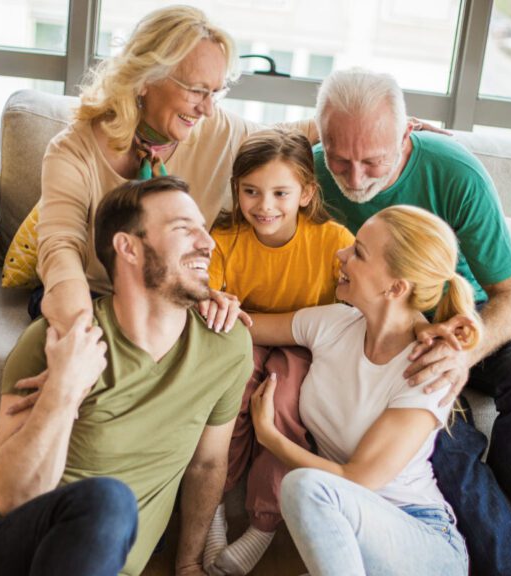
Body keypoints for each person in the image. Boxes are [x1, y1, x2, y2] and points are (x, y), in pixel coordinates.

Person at [0, 176, 253, 576]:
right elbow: (11, 498)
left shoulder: (227, 347)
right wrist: (63, 389)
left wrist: (189, 563)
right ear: (127, 247)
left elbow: (207, 465)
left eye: (203, 227)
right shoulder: (56, 341)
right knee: (111, 501)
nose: (207, 242)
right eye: (184, 228)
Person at [313, 67, 511, 576]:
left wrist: (463, 352)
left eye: (373, 160)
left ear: (406, 132)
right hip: (395, 340)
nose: (357, 178)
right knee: (445, 446)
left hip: (475, 320)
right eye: (340, 159)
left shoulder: (455, 172)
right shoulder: (312, 169)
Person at [35, 5, 317, 334]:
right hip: (95, 297)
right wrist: (79, 326)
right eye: (196, 90)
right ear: (144, 79)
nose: (208, 109)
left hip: (171, 298)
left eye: (216, 92)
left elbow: (290, 135)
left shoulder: (218, 130)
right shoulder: (73, 150)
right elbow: (60, 247)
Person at [250, 205, 479, 576]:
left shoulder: (427, 370)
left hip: (422, 538)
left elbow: (357, 480)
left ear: (395, 287)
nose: (341, 255)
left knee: (306, 487)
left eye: (358, 252)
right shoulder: (334, 324)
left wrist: (270, 437)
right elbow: (244, 326)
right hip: (347, 533)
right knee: (308, 488)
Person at [203, 128, 354, 575]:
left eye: (280, 193)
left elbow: (353, 308)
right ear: (236, 190)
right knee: (228, 400)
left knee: (284, 406)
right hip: (242, 337)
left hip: (306, 344)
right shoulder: (225, 237)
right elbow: (204, 292)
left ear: (306, 193)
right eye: (250, 191)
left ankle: (264, 523)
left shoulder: (333, 241)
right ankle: (210, 509)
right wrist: (212, 299)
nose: (264, 205)